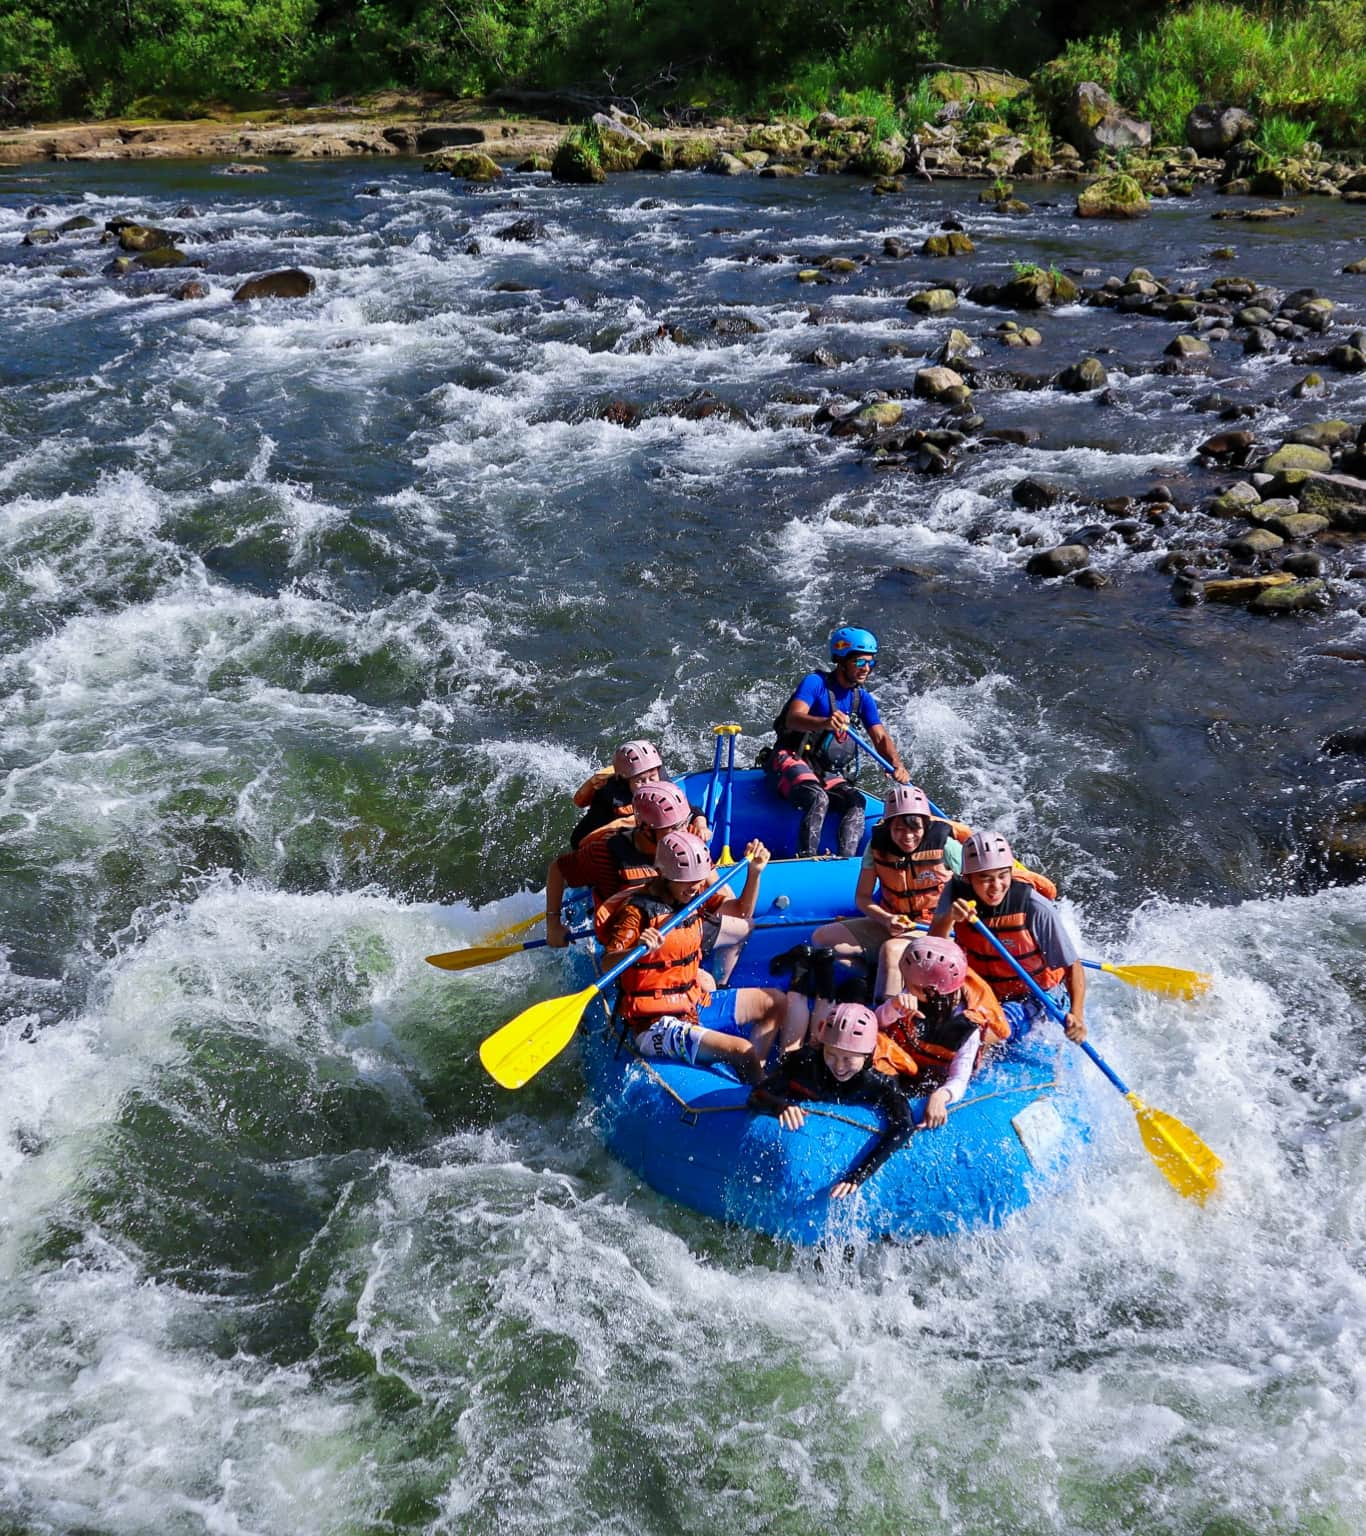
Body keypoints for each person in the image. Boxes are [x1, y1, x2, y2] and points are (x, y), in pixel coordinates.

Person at [599, 831, 804, 1083]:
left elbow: (740, 913)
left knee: (775, 1002)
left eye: (698, 880)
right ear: (664, 874)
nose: (695, 887)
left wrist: (754, 873)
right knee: (743, 1051)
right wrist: (635, 950)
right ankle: (760, 1091)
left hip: (691, 1005)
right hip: (654, 1024)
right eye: (686, 881)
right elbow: (607, 963)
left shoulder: (692, 896)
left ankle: (751, 1079)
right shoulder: (636, 913)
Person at [809, 783, 972, 1004]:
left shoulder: (945, 845)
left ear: (925, 826)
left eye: (914, 829)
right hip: (892, 921)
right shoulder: (876, 846)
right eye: (899, 829)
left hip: (934, 927)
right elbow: (863, 898)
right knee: (822, 939)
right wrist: (886, 919)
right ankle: (875, 975)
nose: (907, 837)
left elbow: (973, 886)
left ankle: (887, 1012)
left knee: (892, 950)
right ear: (888, 827)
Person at [765, 625, 911, 858]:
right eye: (860, 662)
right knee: (817, 797)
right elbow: (793, 718)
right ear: (842, 660)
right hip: (791, 757)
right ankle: (806, 858)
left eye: (871, 663)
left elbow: (880, 737)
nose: (867, 669)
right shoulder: (815, 683)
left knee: (856, 801)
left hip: (823, 770)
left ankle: (846, 861)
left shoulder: (861, 698)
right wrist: (824, 722)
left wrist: (896, 764)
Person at [928, 831, 1086, 1043]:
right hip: (983, 987)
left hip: (1034, 994)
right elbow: (933, 946)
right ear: (968, 878)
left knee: (977, 1035)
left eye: (1003, 876)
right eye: (985, 879)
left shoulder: (1034, 906)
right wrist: (949, 918)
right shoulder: (955, 893)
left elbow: (1072, 965)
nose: (995, 887)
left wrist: (1077, 1014)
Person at [748, 1002, 915, 1197]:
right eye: (831, 1054)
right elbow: (756, 1095)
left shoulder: (879, 1081)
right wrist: (780, 1107)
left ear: (867, 1055)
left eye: (848, 1059)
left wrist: (859, 1175)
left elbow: (904, 1126)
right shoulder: (804, 1062)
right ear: (822, 1046)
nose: (839, 1067)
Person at [545, 781, 690, 948]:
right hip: (632, 938)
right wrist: (553, 925)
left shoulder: (684, 843)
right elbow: (557, 870)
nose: (685, 832)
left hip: (675, 923)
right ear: (647, 830)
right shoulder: (605, 854)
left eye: (685, 823)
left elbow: (715, 888)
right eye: (676, 827)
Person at [874, 936, 1001, 1128]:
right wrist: (892, 1006)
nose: (906, 988)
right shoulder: (912, 995)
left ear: (930, 991)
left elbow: (959, 1077)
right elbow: (876, 1024)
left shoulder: (967, 1027)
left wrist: (942, 1096)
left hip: (940, 1071)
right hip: (913, 1061)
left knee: (1002, 1033)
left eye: (911, 985)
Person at [568, 739, 708, 850]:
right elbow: (585, 838)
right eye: (640, 781)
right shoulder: (610, 796)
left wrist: (701, 825)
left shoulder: (661, 783)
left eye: (652, 777)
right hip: (597, 840)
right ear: (625, 780)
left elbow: (691, 811)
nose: (648, 784)